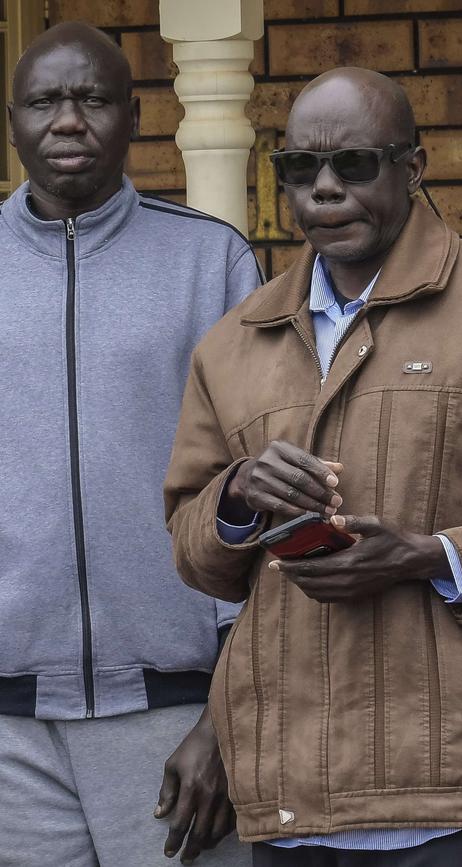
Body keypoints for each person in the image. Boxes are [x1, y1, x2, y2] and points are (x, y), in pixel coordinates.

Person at [164, 66, 462, 867]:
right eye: (299, 169)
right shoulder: (235, 340)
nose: (324, 189)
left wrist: (432, 556)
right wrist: (235, 497)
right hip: (290, 798)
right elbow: (194, 548)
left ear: (412, 169)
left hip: (456, 793)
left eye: (354, 164)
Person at [0, 21, 261, 867]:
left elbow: (254, 494)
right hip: (8, 732)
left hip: (174, 714)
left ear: (134, 115)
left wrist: (224, 717)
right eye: (44, 101)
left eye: (92, 99)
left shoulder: (208, 260)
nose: (68, 121)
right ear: (13, 123)